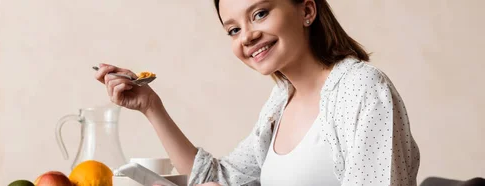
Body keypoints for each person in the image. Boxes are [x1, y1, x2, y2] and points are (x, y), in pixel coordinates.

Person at [94, 0, 420, 185]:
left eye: (260, 13)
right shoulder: (280, 103)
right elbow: (220, 179)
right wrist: (151, 106)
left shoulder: (361, 89)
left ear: (307, 10)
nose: (246, 36)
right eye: (233, 30)